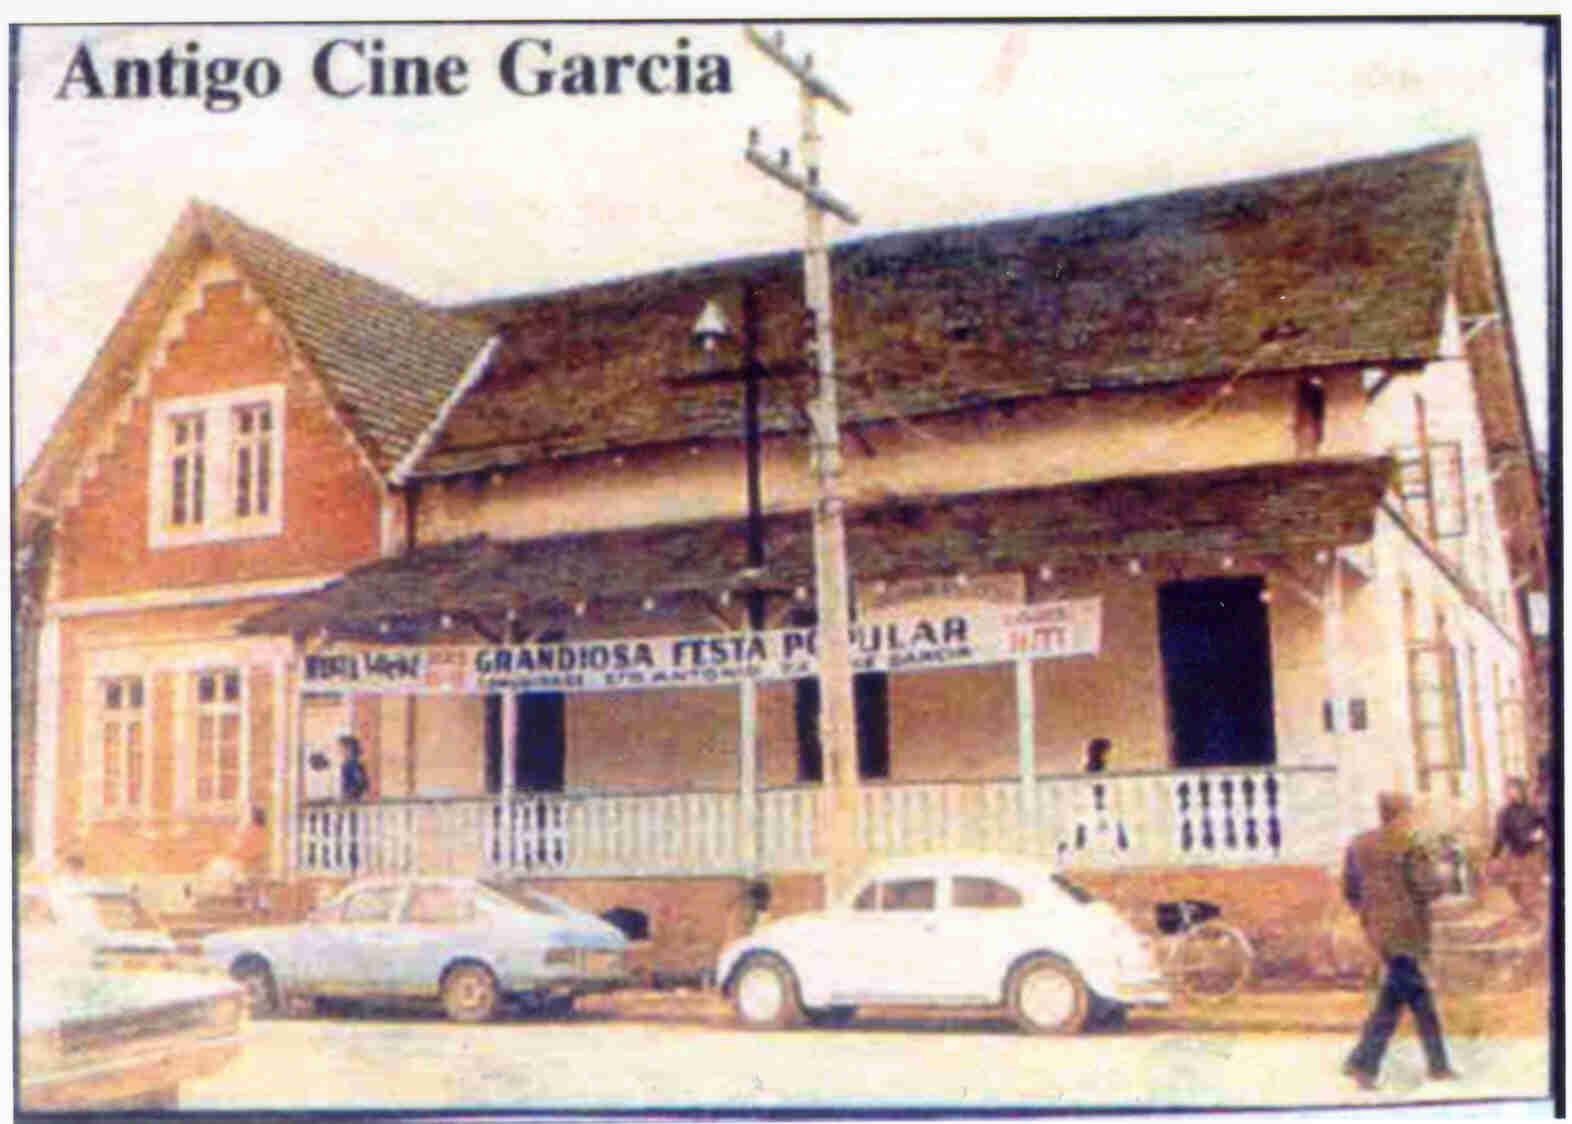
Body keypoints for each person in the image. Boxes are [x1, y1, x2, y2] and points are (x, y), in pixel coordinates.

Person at [1342, 792, 1456, 1089]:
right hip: (1406, 932)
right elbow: (1426, 887)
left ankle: (1438, 1064)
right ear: (1402, 815)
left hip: (1378, 931)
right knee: (1399, 1002)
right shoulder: (1410, 844)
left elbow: (1350, 890)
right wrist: (1445, 876)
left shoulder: (1359, 844)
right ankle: (1364, 1064)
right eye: (1409, 813)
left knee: (1415, 998)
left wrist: (1370, 915)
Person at [1490, 777, 1547, 921]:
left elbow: (1545, 826)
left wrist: (1540, 835)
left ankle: (1532, 916)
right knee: (1512, 884)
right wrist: (1494, 855)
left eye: (1517, 789)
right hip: (1513, 853)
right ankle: (1524, 910)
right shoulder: (1504, 813)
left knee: (1530, 885)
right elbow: (1500, 835)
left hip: (1531, 852)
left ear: (1522, 791)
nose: (1514, 793)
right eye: (1511, 790)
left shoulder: (1533, 810)